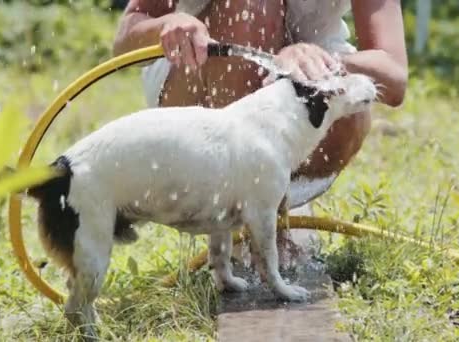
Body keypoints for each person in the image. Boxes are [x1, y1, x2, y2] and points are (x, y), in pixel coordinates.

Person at [113, 0, 408, 268]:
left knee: (351, 100)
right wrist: (167, 24)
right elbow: (125, 41)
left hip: (304, 72)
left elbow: (393, 75)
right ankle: (244, 222)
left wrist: (323, 61)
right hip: (198, 85)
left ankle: (269, 212)